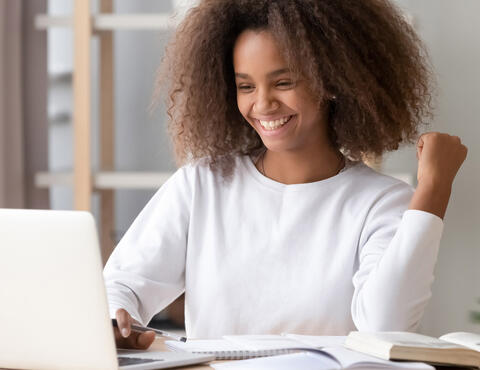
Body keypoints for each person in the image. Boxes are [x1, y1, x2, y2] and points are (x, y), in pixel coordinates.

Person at [104, 0, 468, 350]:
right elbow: (123, 284)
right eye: (246, 86)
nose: (262, 104)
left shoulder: (380, 202)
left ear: (334, 81)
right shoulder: (202, 185)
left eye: (283, 82)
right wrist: (115, 316)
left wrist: (434, 190)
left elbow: (385, 327)